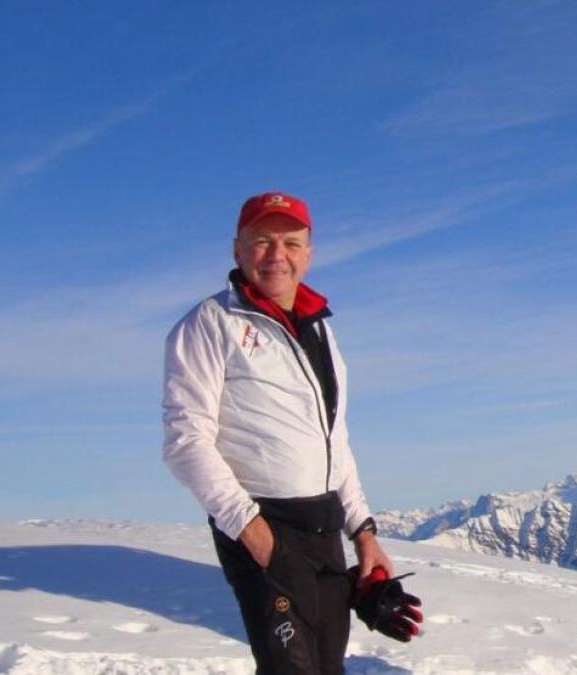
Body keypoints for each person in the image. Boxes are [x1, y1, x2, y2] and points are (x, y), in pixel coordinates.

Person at [163, 191, 392, 674]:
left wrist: (364, 533)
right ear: (237, 249)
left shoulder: (320, 329)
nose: (277, 256)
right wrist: (256, 534)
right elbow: (186, 442)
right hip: (264, 526)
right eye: (262, 242)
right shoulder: (211, 323)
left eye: (291, 243)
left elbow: (335, 440)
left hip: (325, 527)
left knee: (328, 667)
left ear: (308, 252)